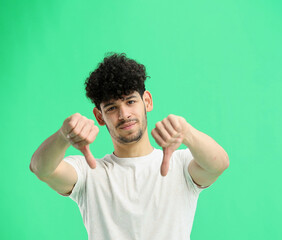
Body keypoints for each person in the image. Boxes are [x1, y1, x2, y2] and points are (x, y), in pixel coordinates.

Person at [30, 53, 229, 240]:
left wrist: (188, 133)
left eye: (130, 101)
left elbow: (218, 164)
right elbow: (41, 169)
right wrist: (62, 136)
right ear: (100, 116)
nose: (124, 114)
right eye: (112, 107)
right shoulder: (89, 173)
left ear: (147, 101)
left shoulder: (180, 164)